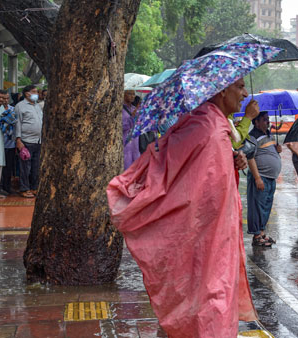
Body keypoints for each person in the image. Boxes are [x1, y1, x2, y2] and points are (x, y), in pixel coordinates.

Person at [106, 78, 257, 338]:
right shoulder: (206, 127)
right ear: (222, 90)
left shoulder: (213, 126)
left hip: (216, 235)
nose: (244, 94)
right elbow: (178, 176)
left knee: (207, 295)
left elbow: (206, 173)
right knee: (208, 299)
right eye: (240, 87)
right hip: (203, 236)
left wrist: (232, 159)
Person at [246, 111, 282, 247]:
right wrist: (257, 178)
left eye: (268, 119)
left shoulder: (268, 134)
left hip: (271, 178)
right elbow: (250, 157)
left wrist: (277, 150)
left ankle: (261, 233)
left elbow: (269, 152)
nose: (268, 122)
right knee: (257, 207)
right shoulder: (253, 136)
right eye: (265, 120)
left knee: (266, 207)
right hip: (261, 177)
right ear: (256, 122)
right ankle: (256, 236)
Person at [15, 85, 43, 198]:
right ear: (27, 93)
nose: (37, 93)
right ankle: (24, 188)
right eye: (34, 91)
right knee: (25, 167)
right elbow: (17, 124)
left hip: (38, 141)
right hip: (26, 141)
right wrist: (18, 140)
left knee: (36, 167)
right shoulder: (20, 106)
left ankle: (34, 187)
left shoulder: (37, 106)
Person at [0, 96, 17, 196]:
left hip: (10, 143)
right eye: (3, 98)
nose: (5, 100)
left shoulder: (13, 109)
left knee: (9, 167)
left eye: (7, 98)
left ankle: (7, 186)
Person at [122, 89, 140, 170]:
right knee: (126, 165)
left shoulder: (134, 108)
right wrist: (132, 117)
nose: (132, 96)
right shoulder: (120, 109)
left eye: (134, 94)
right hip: (125, 143)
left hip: (135, 142)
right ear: (123, 95)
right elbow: (122, 126)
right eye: (130, 94)